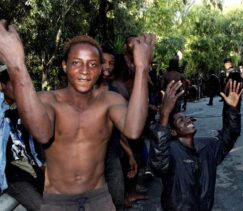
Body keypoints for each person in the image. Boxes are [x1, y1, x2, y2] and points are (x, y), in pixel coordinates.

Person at [0, 20, 155, 211]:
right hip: (58, 201)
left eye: (92, 64)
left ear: (100, 70)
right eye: (76, 63)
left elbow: (133, 129)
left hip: (99, 198)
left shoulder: (110, 100)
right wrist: (16, 65)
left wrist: (142, 68)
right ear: (64, 66)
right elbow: (42, 133)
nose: (84, 70)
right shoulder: (48, 100)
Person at [149, 79, 242, 211]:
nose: (187, 120)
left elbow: (230, 135)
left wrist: (232, 108)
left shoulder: (207, 147)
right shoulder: (171, 152)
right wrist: (164, 114)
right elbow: (158, 164)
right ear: (173, 132)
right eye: (181, 120)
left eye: (186, 117)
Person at [97, 47, 138, 210]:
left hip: (112, 157)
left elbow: (119, 130)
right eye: (103, 62)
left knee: (118, 199)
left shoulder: (114, 93)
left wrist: (130, 155)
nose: (107, 66)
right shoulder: (84, 93)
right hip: (92, 161)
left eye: (111, 63)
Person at [0, 64, 45, 210]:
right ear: (2, 86)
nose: (19, 89)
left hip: (33, 169)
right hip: (13, 176)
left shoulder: (23, 109)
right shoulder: (2, 110)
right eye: (13, 84)